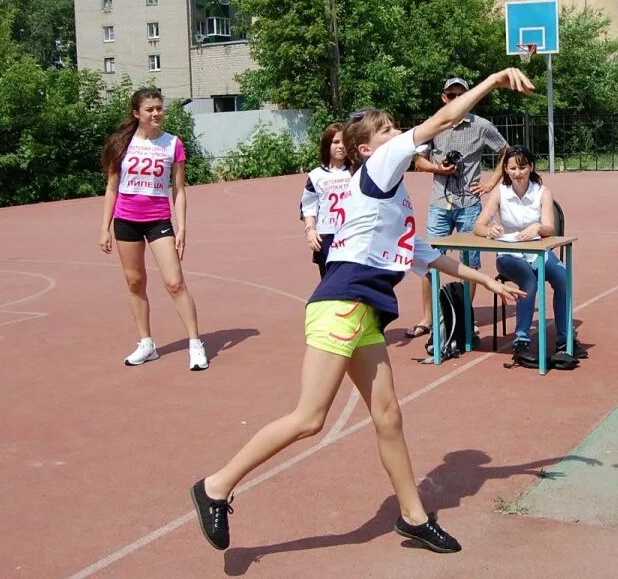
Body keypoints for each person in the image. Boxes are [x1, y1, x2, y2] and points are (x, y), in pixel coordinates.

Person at [189, 68, 533, 554]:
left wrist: (485, 280)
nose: (397, 134)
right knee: (310, 419)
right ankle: (215, 486)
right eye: (388, 130)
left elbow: (427, 257)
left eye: (395, 128)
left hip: (364, 313)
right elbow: (443, 119)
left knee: (388, 417)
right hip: (341, 305)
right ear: (368, 149)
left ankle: (413, 517)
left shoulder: (386, 201)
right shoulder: (378, 167)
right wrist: (494, 80)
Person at [98, 88, 208, 371]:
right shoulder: (121, 145)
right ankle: (146, 343)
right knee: (135, 282)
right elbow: (111, 188)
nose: (157, 113)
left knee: (174, 282)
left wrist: (182, 227)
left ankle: (195, 343)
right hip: (126, 220)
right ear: (137, 113)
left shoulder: (173, 144)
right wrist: (104, 228)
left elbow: (179, 191)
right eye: (150, 109)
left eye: (159, 108)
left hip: (158, 220)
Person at [406, 77, 509, 339]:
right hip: (440, 203)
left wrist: (491, 183)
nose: (455, 100)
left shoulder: (482, 126)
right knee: (429, 260)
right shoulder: (435, 124)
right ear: (444, 98)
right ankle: (428, 318)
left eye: (460, 95)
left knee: (470, 262)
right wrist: (438, 168)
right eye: (451, 95)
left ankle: (465, 315)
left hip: (470, 205)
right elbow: (418, 161)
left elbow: (507, 152)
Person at [474, 146, 583, 357]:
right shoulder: (500, 192)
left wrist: (538, 228)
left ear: (531, 167)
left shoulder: (542, 192)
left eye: (522, 167)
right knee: (529, 281)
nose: (517, 173)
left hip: (536, 251)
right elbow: (478, 227)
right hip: (508, 255)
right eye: (512, 168)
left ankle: (564, 339)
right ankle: (522, 341)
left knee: (562, 277)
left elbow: (550, 228)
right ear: (505, 169)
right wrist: (490, 230)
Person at [300, 123, 350, 278]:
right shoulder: (316, 176)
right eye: (336, 142)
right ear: (327, 145)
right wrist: (310, 230)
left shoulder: (357, 171)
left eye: (345, 142)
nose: (341, 146)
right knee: (329, 282)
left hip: (352, 234)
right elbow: (308, 207)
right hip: (327, 236)